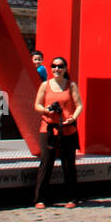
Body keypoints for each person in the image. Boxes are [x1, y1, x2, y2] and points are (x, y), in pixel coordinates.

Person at [32, 56, 82, 209]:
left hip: (67, 129)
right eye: (54, 66)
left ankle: (72, 198)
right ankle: (39, 199)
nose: (57, 69)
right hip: (48, 128)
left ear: (65, 69)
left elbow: (79, 105)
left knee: (69, 164)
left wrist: (73, 117)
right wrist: (46, 110)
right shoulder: (44, 85)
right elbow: (37, 105)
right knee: (46, 163)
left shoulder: (71, 86)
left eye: (60, 66)